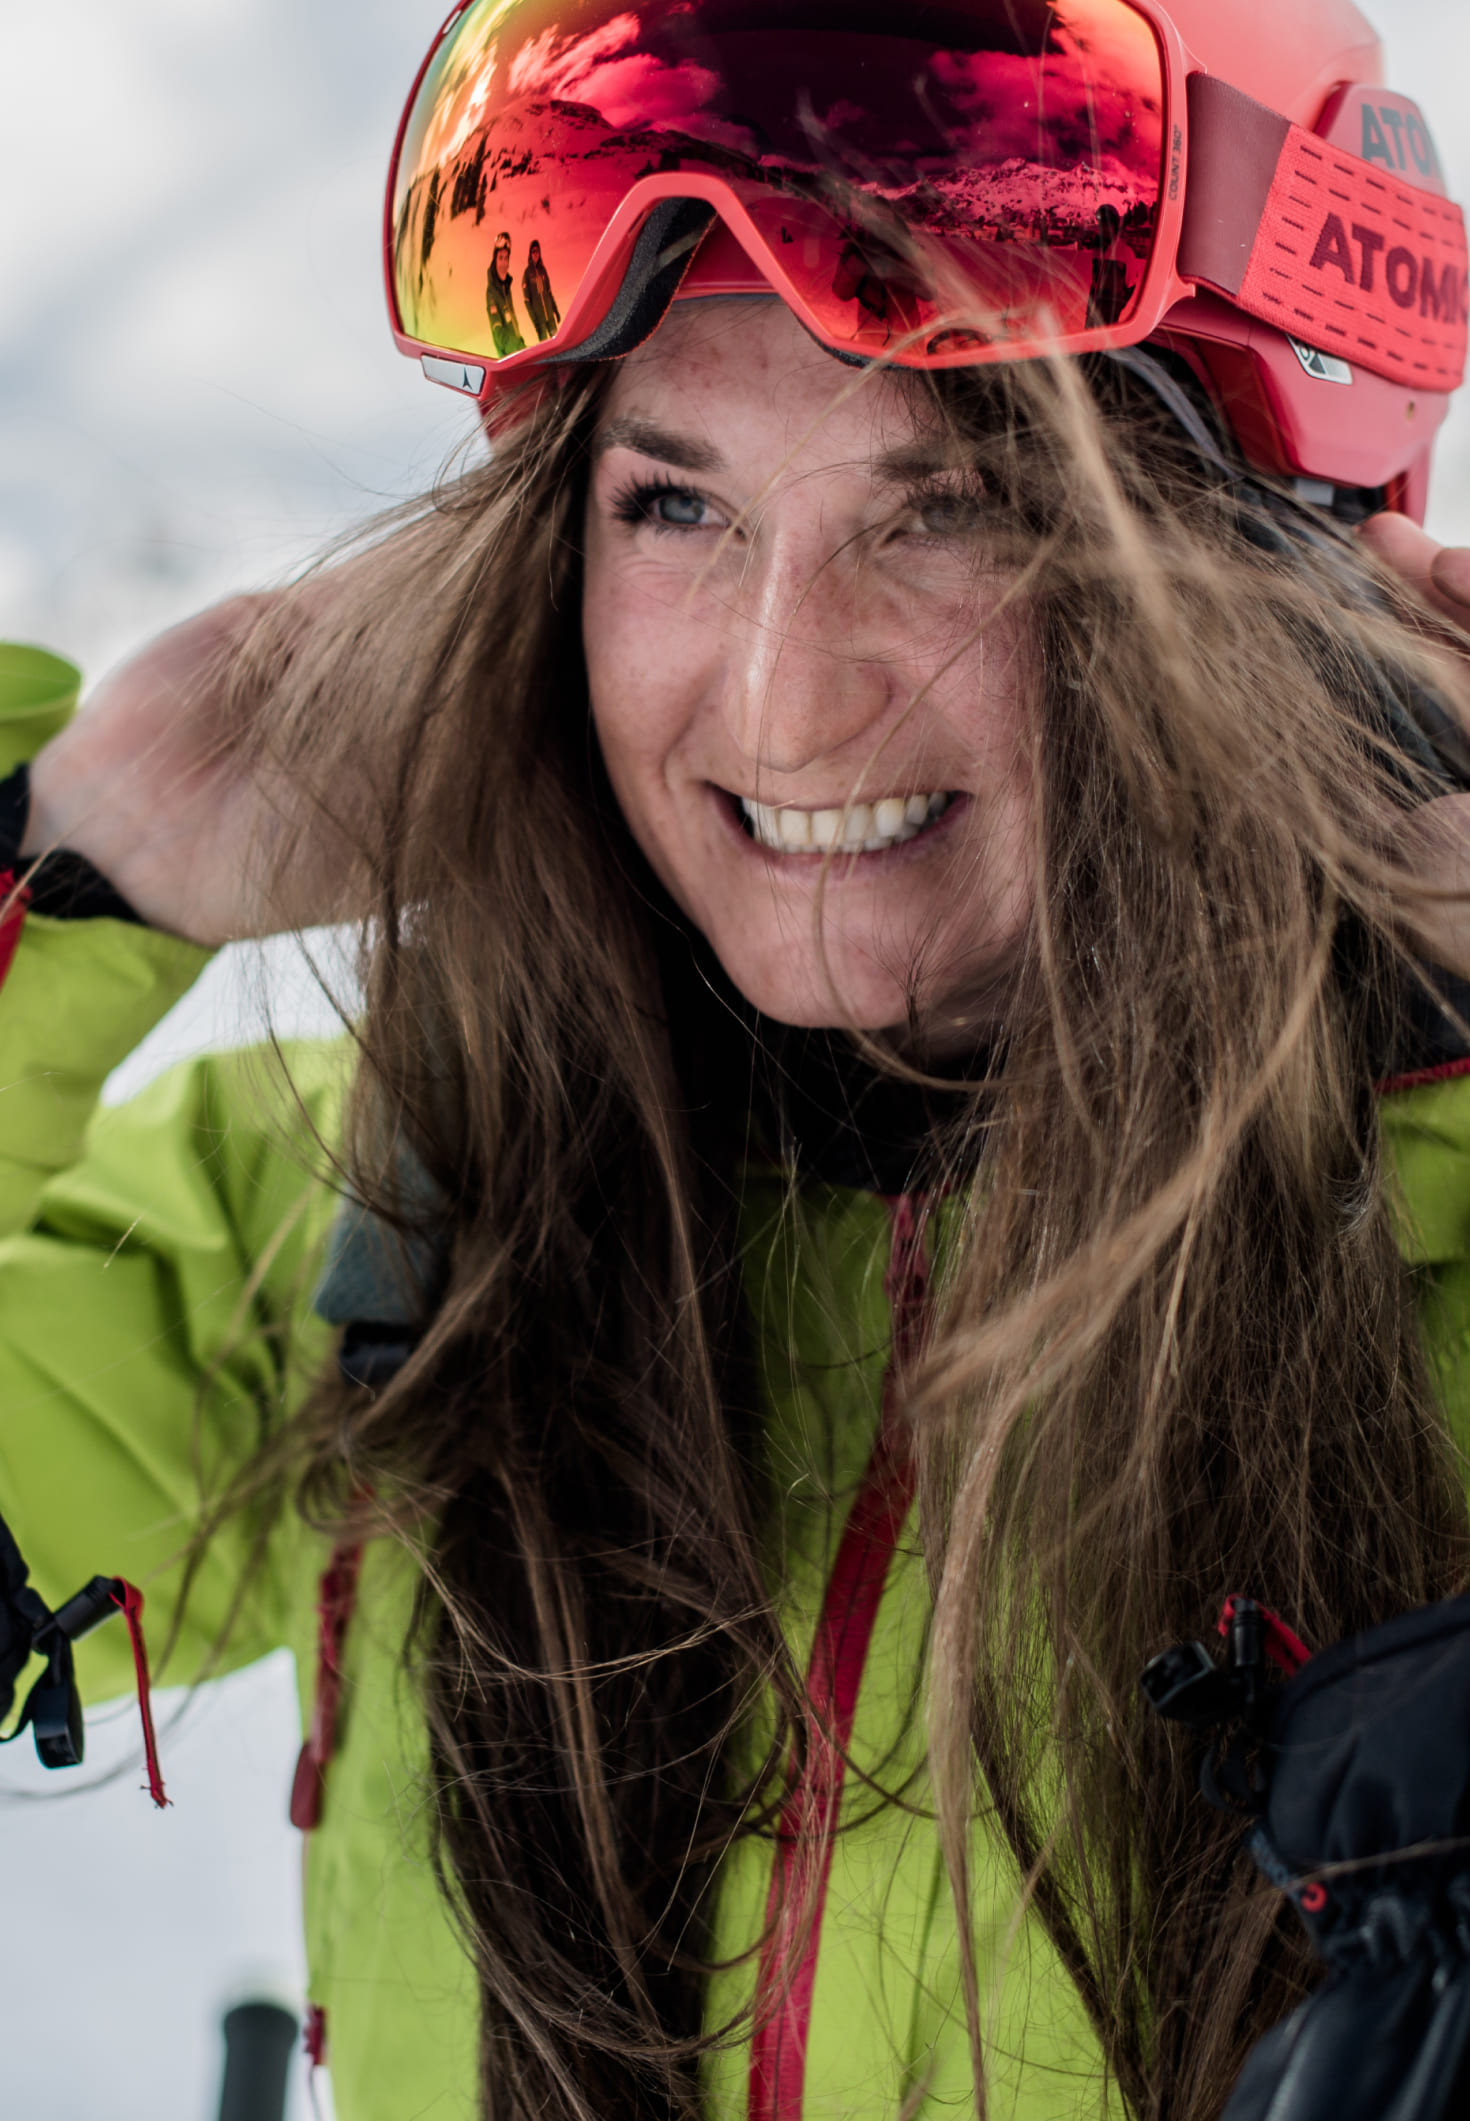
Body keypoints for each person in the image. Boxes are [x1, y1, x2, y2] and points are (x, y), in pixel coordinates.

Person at [6, 3, 1470, 2119]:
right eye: (674, 505)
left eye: (954, 506)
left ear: (1274, 586)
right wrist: (62, 874)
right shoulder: (388, 1196)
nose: (785, 702)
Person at [522, 239, 561, 342]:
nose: (536, 254)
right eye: (533, 251)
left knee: (556, 343)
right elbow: (527, 301)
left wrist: (555, 310)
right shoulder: (527, 273)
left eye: (537, 251)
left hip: (550, 317)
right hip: (540, 321)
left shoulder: (542, 270)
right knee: (545, 346)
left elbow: (549, 292)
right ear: (530, 254)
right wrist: (535, 322)